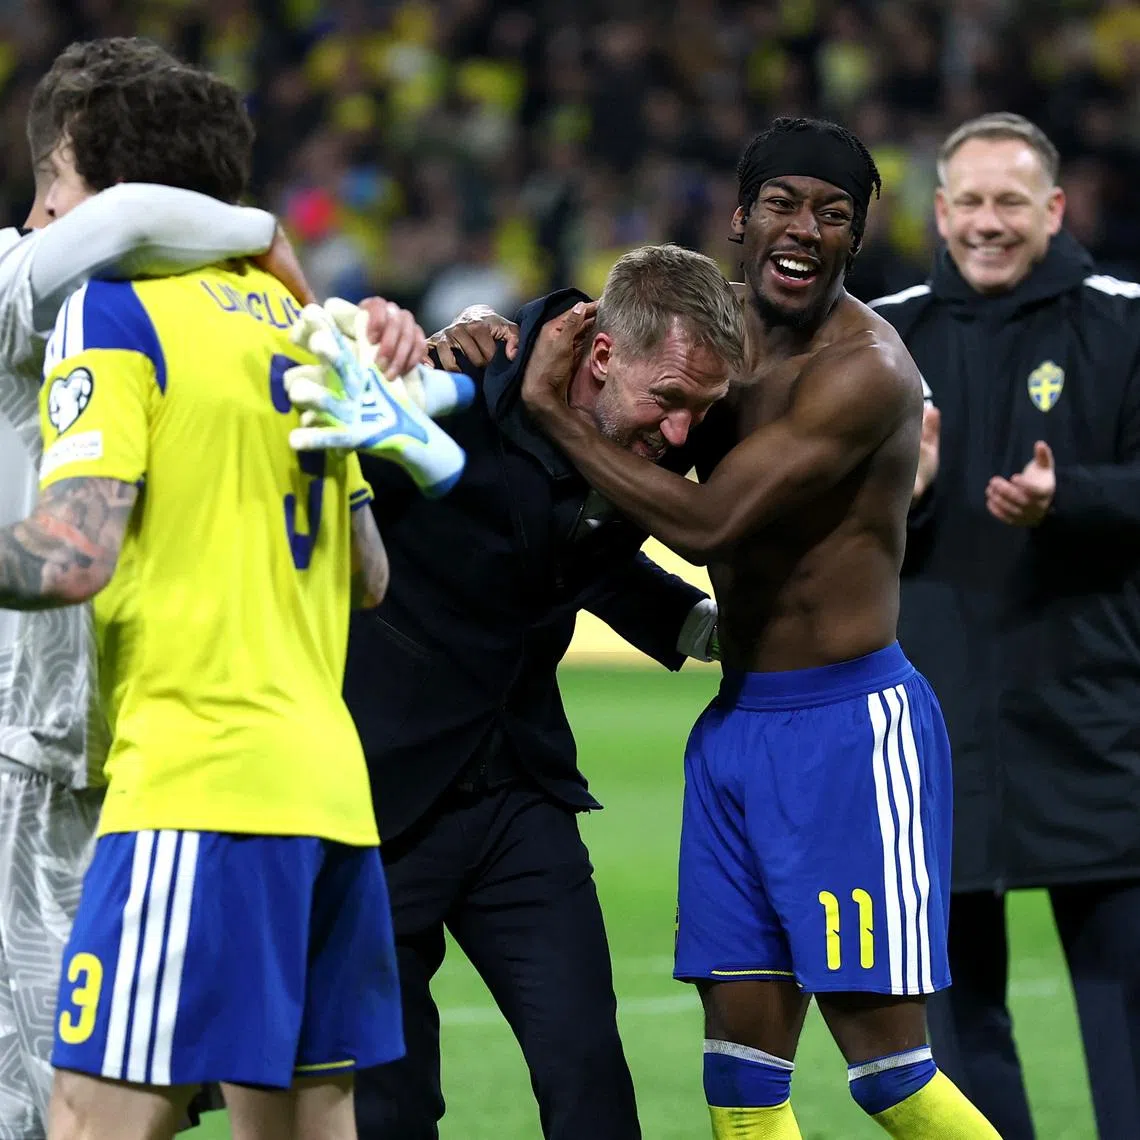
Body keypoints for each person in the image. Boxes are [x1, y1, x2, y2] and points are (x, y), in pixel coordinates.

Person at [517, 117, 999, 1139]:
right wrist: (490, 335)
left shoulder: (866, 369)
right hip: (737, 729)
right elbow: (601, 362)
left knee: (892, 1080)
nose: (806, 228)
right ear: (739, 219)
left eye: (834, 215)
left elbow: (705, 522)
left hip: (848, 733)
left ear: (856, 240)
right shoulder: (710, 338)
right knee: (740, 1088)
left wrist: (553, 414)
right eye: (783, 203)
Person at [0, 56, 427, 1140]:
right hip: (327, 796)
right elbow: (369, 576)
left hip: (195, 787)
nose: (43, 208)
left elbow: (71, 554)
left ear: (100, 188)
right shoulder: (303, 329)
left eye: (55, 178)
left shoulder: (115, 309)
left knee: (88, 1124)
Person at [293, 243, 743, 1140]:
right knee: (391, 1104)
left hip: (520, 794)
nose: (684, 435)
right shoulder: (455, 375)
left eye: (701, 408)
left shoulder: (632, 425)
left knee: (588, 1082)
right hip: (383, 796)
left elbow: (571, 551)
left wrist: (704, 624)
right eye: (670, 401)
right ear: (604, 356)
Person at [871, 111, 1140, 1140]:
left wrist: (1069, 495)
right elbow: (826, 505)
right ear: (940, 212)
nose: (988, 223)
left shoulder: (1123, 322)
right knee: (953, 1015)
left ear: (1055, 209)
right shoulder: (884, 334)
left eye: (1010, 203)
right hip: (935, 724)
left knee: (1124, 1010)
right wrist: (914, 490)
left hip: (1095, 719)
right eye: (969, 203)